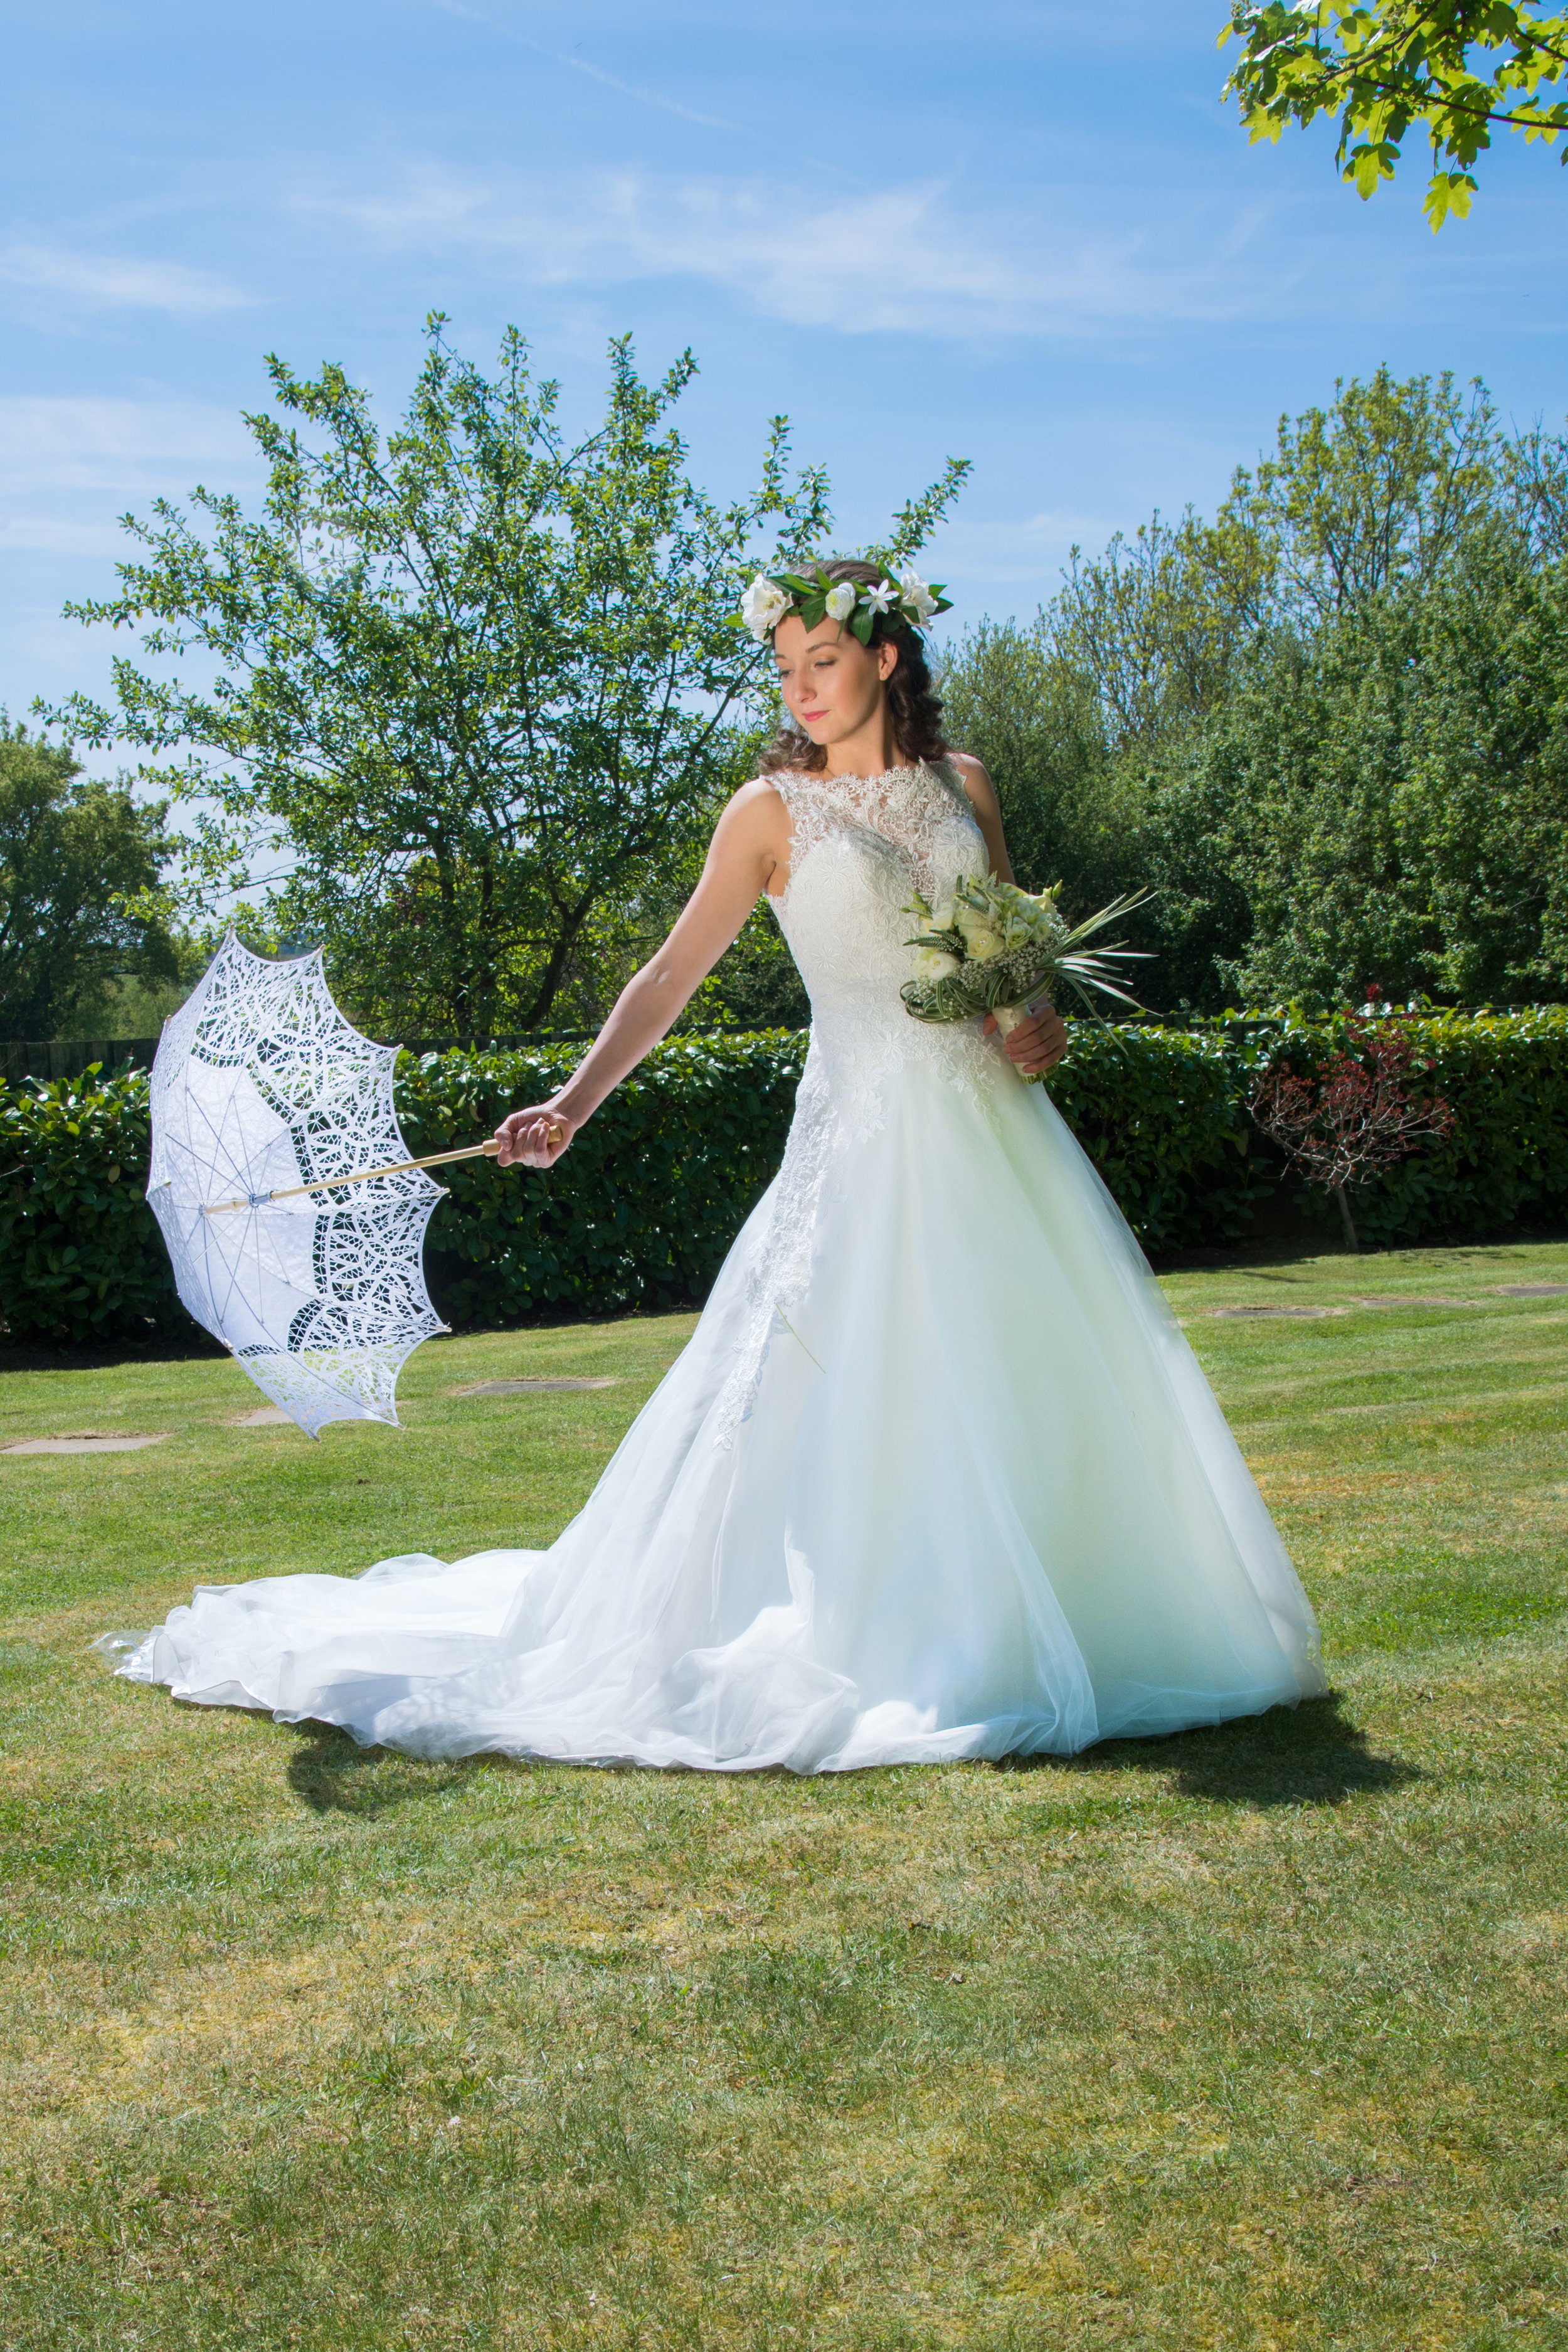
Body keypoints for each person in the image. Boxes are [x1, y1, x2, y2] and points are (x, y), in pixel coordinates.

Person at [112, 558, 1325, 1769]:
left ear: (884, 660)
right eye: (787, 669)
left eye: (825, 664)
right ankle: (880, 1627)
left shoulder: (965, 784)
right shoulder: (767, 815)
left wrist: (1033, 1014)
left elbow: (1006, 946)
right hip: (859, 1137)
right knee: (852, 1373)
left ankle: (1068, 1611)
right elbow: (666, 978)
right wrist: (573, 1101)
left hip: (998, 1142)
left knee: (1032, 1366)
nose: (801, 689)